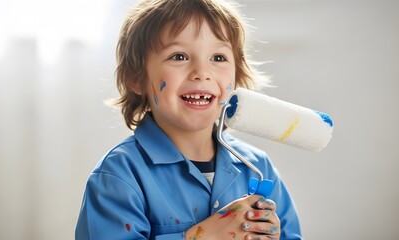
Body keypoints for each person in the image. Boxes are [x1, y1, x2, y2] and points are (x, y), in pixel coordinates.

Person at [75, 0, 302, 239]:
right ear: (137, 78)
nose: (202, 72)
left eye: (218, 58)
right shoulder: (119, 175)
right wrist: (201, 236)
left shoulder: (257, 168)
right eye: (179, 56)